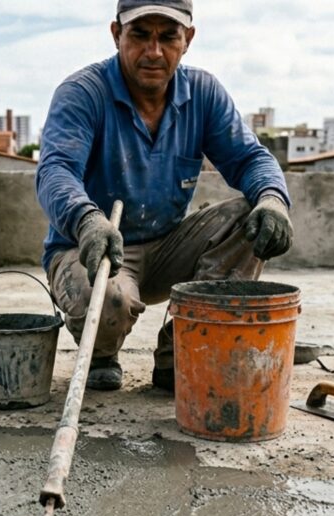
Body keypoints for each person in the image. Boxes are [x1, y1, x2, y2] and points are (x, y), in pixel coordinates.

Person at [37, 0, 295, 393]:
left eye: (168, 36)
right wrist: (87, 219)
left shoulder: (204, 94)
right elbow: (55, 172)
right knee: (109, 302)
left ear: (187, 39)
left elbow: (249, 158)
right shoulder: (82, 93)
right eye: (140, 34)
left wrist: (273, 199)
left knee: (251, 214)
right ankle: (102, 354)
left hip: (167, 247)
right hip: (92, 249)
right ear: (116, 34)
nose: (153, 51)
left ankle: (183, 349)